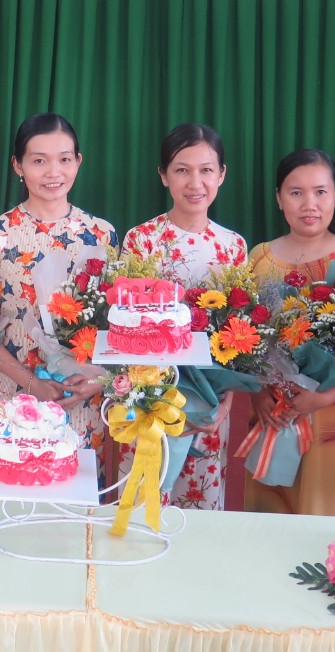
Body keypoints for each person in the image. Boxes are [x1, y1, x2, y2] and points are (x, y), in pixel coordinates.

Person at [0, 113, 116, 454]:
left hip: (81, 396)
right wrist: (32, 383)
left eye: (64, 159)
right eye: (39, 161)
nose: (53, 172)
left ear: (78, 162)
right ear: (17, 166)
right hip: (14, 394)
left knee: (78, 482)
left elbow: (118, 325)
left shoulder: (101, 234)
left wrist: (98, 380)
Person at [245, 149, 335, 516]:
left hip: (332, 415)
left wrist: (324, 397)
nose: (309, 204)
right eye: (296, 192)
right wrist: (257, 394)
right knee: (269, 513)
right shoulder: (259, 258)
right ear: (279, 198)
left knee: (324, 512)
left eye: (320, 192)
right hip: (272, 410)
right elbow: (242, 336)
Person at [120, 123, 246, 511]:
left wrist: (223, 406)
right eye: (181, 170)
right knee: (142, 506)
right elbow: (124, 327)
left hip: (209, 408)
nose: (195, 183)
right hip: (149, 403)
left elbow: (240, 337)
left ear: (221, 174)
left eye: (206, 170)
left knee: (199, 511)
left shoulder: (233, 247)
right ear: (163, 175)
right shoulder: (140, 241)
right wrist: (149, 397)